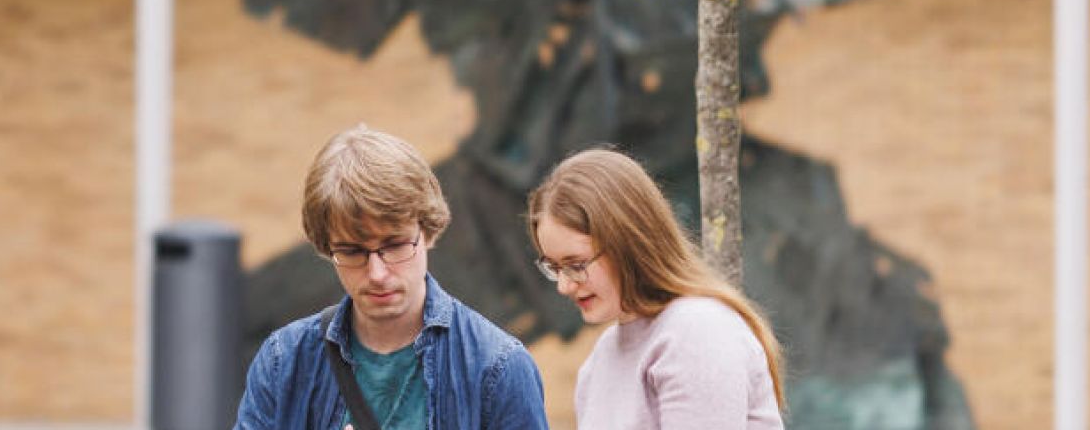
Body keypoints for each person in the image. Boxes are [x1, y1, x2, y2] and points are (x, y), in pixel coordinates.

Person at [237, 126, 548, 430]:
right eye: (352, 252)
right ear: (325, 247)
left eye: (395, 246)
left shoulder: (498, 366)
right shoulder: (284, 360)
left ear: (427, 231)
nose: (377, 274)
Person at [528, 147, 789, 430]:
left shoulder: (697, 331)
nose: (564, 286)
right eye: (554, 268)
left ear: (627, 242)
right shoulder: (601, 358)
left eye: (576, 265)